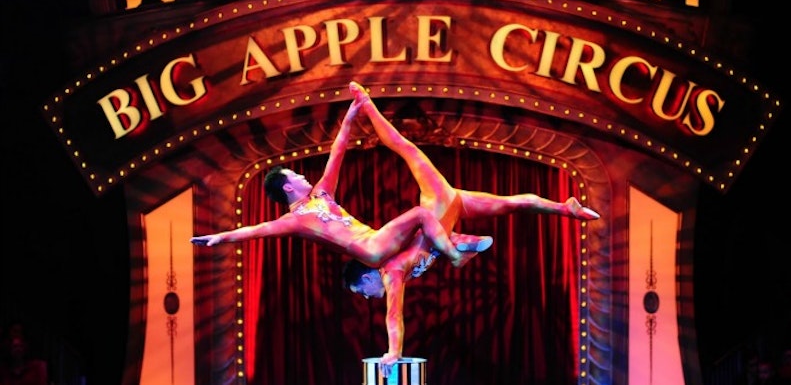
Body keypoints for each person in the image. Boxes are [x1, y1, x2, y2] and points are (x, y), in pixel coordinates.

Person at [342, 81, 601, 374]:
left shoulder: (391, 272)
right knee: (512, 204)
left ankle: (367, 103)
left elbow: (394, 315)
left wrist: (393, 352)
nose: (365, 297)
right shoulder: (399, 266)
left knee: (405, 147)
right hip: (454, 209)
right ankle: (565, 209)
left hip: (436, 201)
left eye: (361, 291)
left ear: (365, 276)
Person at [190, 90, 492, 269]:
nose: (301, 174)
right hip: (369, 248)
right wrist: (220, 237)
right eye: (294, 174)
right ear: (287, 187)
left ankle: (457, 244)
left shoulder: (322, 194)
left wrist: (350, 117)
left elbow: (336, 153)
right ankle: (454, 254)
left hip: (377, 240)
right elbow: (257, 231)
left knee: (424, 229)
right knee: (421, 214)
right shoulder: (294, 220)